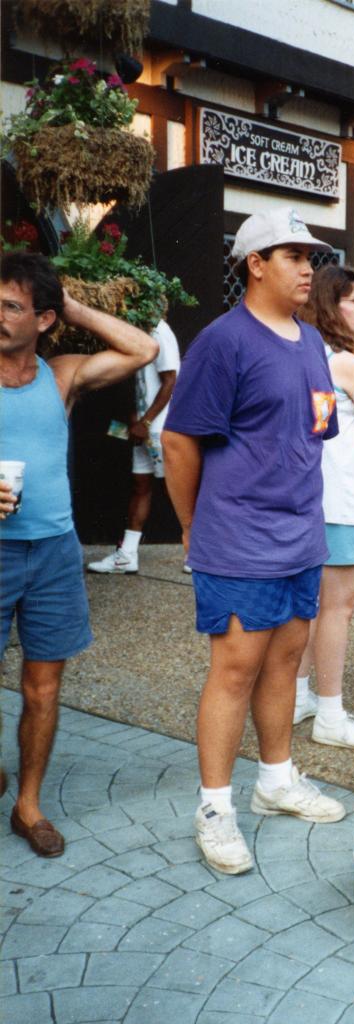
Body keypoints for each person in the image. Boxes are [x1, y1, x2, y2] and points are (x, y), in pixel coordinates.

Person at [162, 207, 347, 876]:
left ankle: (275, 781)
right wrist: (193, 524)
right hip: (239, 537)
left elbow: (315, 429)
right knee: (235, 671)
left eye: (310, 256)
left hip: (301, 535)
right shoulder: (224, 341)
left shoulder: (312, 341)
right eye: (292, 255)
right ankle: (215, 808)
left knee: (285, 663)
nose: (307, 268)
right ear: (255, 264)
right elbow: (179, 442)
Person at [0, 251, 158, 857]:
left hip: (54, 553)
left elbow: (143, 349)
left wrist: (68, 304)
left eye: (12, 306)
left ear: (43, 319)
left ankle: (28, 805)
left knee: (43, 687)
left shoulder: (60, 376)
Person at [292, 264, 354, 749]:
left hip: (313, 497)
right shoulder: (344, 361)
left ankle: (299, 696)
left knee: (313, 608)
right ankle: (330, 713)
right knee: (337, 610)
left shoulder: (308, 353)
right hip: (342, 498)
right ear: (330, 304)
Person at [87, 318, 181, 574]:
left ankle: (202, 556)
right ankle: (127, 555)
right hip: (145, 426)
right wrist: (136, 417)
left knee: (179, 490)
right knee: (141, 486)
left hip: (159, 428)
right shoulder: (139, 330)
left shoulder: (159, 331)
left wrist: (147, 420)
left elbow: (171, 380)